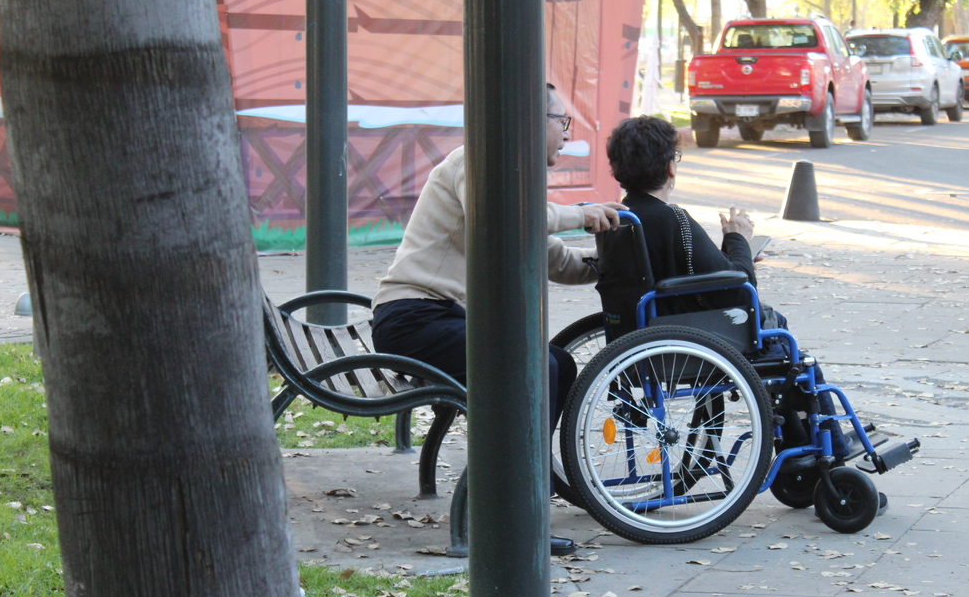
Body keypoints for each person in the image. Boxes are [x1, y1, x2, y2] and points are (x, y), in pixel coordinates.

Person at [371, 84, 621, 555]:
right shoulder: (476, 162)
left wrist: (613, 262)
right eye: (561, 122)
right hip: (413, 320)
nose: (567, 134)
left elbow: (558, 261)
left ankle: (524, 484)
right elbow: (505, 219)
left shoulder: (511, 179)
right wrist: (580, 214)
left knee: (559, 363)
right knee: (537, 366)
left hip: (436, 318)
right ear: (531, 122)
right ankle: (511, 511)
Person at [604, 116, 885, 514]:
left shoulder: (618, 217)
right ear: (669, 167)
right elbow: (738, 288)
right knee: (789, 350)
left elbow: (688, 273)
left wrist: (732, 256)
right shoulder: (673, 219)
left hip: (645, 339)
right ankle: (830, 453)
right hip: (689, 342)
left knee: (776, 343)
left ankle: (799, 449)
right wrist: (739, 240)